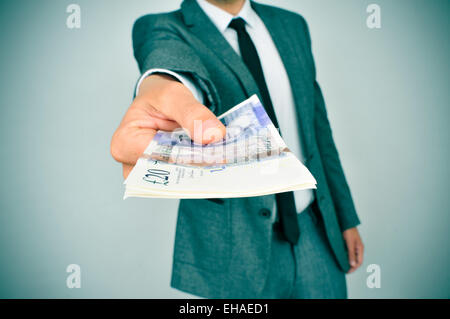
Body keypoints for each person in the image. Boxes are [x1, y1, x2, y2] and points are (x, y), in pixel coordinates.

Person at [111, 0, 364, 299]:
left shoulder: (292, 25)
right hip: (235, 241)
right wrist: (169, 88)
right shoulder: (163, 26)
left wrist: (346, 218)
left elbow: (319, 131)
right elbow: (169, 64)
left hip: (315, 227)